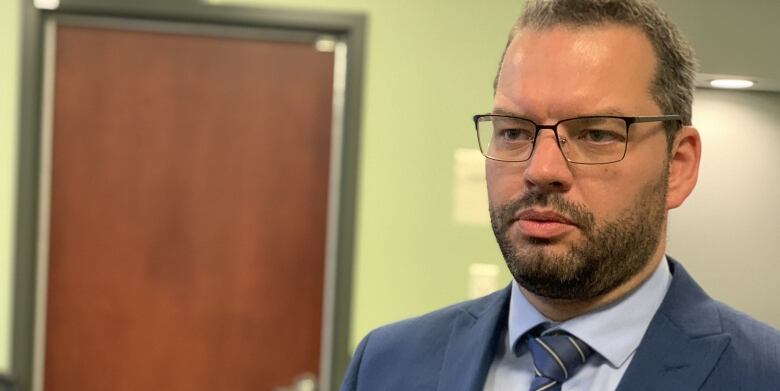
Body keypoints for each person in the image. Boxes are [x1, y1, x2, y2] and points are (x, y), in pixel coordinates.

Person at [339, 0, 780, 390]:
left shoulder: (763, 373)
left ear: (678, 167)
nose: (541, 170)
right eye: (513, 131)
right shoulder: (386, 364)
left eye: (595, 134)